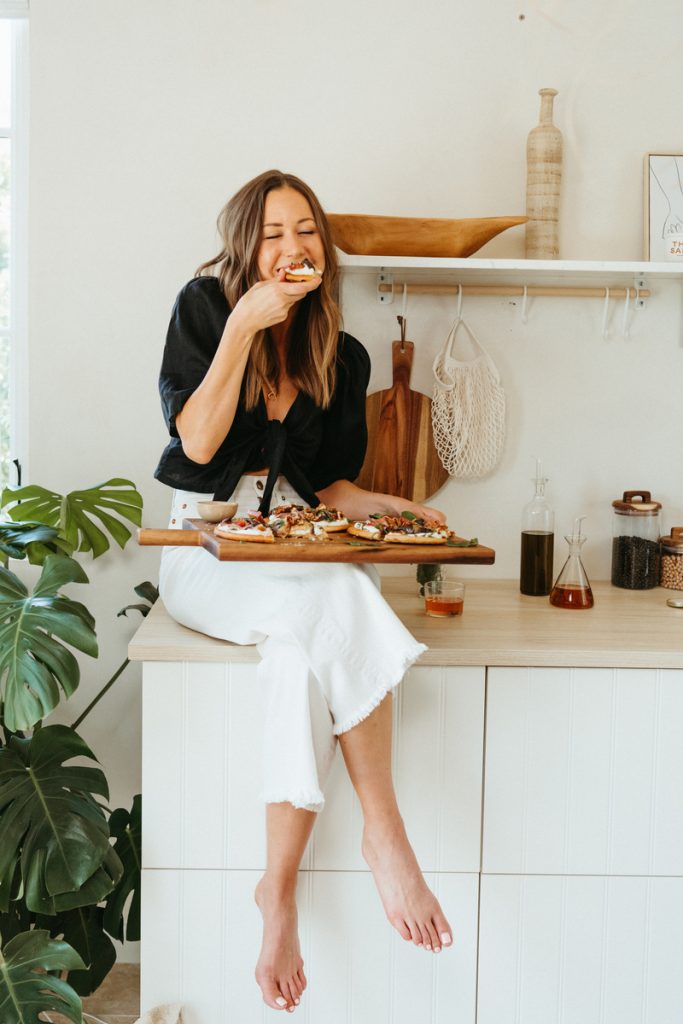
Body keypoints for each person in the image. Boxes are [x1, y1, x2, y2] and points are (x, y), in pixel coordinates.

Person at [154, 169, 453, 1014]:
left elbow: (330, 493)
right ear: (247, 244)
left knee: (302, 637)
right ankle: (385, 833)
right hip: (204, 539)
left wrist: (404, 513)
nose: (293, 248)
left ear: (323, 250)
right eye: (275, 233)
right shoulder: (204, 308)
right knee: (333, 594)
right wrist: (246, 324)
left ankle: (274, 892)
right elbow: (199, 439)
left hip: (289, 534)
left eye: (307, 232)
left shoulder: (340, 352)